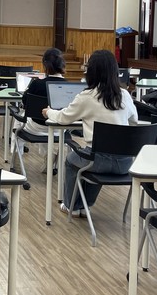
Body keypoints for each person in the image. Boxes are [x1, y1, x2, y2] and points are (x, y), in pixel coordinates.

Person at [42, 49, 138, 216]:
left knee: (72, 160)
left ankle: (72, 206)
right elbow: (134, 121)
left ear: (91, 71)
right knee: (90, 160)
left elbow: (63, 118)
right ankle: (85, 205)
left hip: (98, 161)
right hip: (125, 163)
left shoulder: (87, 96)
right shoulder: (124, 95)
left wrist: (49, 111)